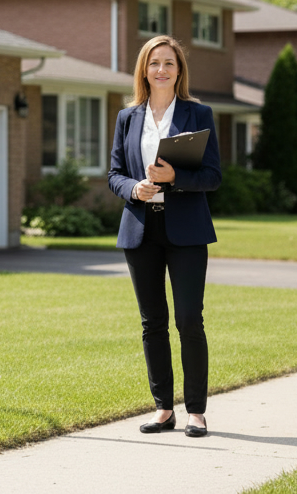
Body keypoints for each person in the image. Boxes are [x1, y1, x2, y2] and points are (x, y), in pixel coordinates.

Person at [108, 35, 221, 438]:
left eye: (169, 63)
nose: (161, 70)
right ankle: (163, 409)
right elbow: (115, 174)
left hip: (187, 229)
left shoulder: (199, 113)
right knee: (152, 322)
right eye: (154, 63)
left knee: (190, 319)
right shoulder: (128, 117)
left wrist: (176, 178)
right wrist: (132, 189)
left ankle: (196, 412)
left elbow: (213, 176)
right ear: (144, 69)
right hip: (141, 229)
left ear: (179, 70)